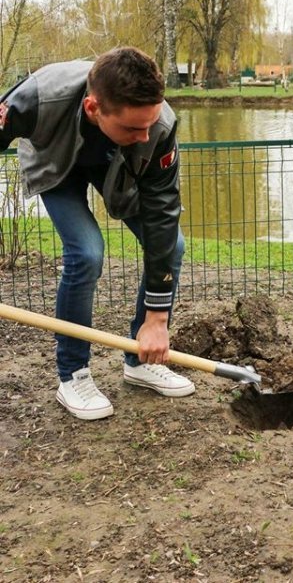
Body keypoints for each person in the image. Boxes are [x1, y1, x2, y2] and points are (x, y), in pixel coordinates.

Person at [0, 47, 195, 421]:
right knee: (87, 252)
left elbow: (163, 213)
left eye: (148, 126)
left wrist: (157, 320)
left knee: (175, 246)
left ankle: (141, 361)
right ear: (93, 108)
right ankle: (72, 374)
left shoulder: (159, 128)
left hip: (117, 169)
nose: (145, 136)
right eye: (133, 128)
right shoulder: (37, 98)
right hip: (55, 164)